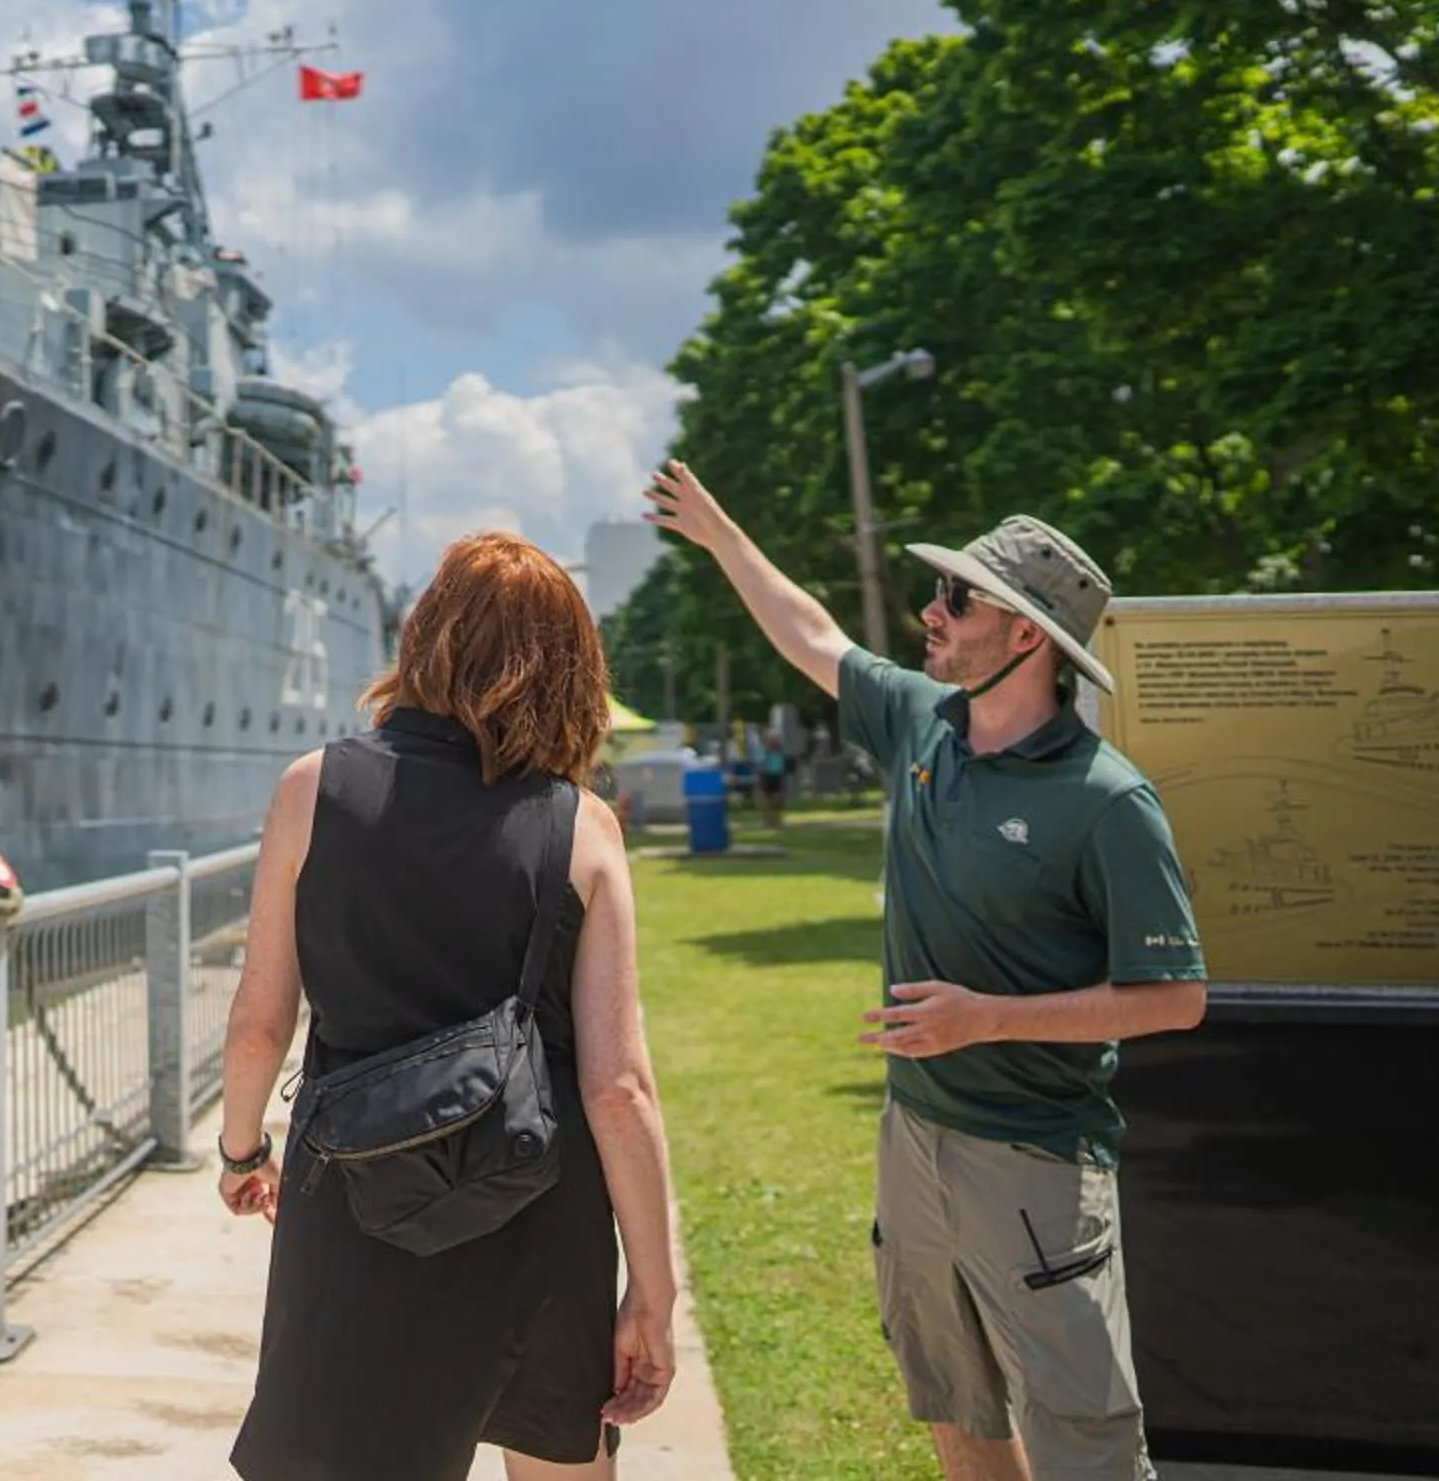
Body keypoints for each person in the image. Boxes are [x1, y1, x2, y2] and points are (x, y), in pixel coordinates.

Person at [645, 461, 1204, 1481]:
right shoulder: (920, 721)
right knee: (954, 1408)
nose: (929, 611)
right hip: (913, 1136)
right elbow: (815, 635)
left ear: (1027, 635)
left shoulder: (1109, 800)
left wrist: (985, 1018)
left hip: (1036, 1161)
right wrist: (724, 537)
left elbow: (1175, 996)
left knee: (1088, 1445)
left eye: (958, 597)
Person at [217, 532, 680, 1481]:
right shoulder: (581, 827)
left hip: (356, 1197)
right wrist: (653, 1293)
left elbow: (261, 1020)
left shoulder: (314, 789)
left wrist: (241, 1151)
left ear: (424, 638)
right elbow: (619, 1088)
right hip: (538, 1205)